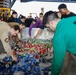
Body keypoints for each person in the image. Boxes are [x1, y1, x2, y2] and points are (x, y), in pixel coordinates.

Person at [42, 10, 76, 75]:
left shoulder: (59, 35)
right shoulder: (72, 18)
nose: (50, 29)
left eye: (48, 27)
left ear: (51, 23)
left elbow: (57, 62)